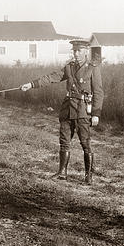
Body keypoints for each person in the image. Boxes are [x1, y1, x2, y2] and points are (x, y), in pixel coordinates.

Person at [21, 38, 104, 184]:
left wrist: (96, 114)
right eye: (74, 50)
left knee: (85, 143)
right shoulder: (69, 67)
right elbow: (52, 77)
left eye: (79, 51)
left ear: (86, 52)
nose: (76, 53)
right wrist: (31, 84)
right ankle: (62, 173)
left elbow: (98, 92)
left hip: (83, 111)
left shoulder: (93, 68)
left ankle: (88, 176)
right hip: (67, 111)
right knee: (64, 142)